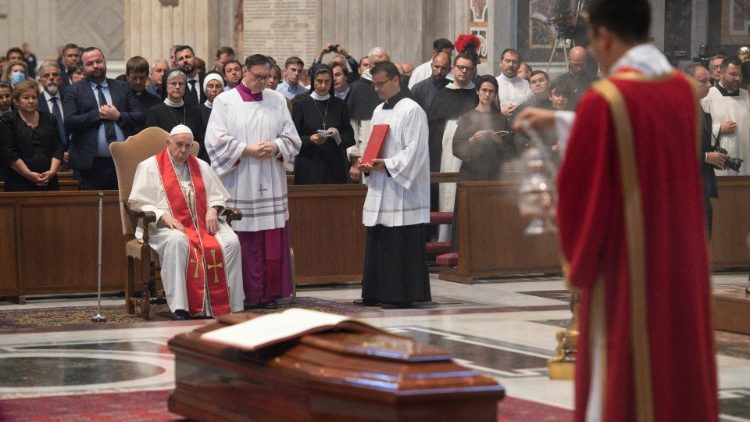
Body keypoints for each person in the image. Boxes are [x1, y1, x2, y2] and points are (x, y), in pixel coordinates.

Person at [513, 1, 718, 420]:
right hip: (680, 261)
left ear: (604, 36)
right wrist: (562, 120)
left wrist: (575, 253)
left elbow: (587, 193)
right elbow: (642, 134)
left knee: (626, 377)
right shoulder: (682, 90)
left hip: (629, 266)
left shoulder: (606, 98)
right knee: (675, 371)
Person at [205, 54, 301, 309]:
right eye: (257, 77)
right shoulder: (225, 101)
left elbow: (292, 138)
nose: (263, 82)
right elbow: (214, 140)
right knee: (244, 238)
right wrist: (246, 149)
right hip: (241, 179)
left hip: (270, 177)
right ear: (244, 71)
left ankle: (269, 294)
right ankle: (243, 294)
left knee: (271, 239)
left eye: (267, 77)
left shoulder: (277, 99)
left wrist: (276, 146)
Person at [128, 125, 244, 319]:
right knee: (178, 242)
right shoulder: (148, 167)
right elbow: (138, 202)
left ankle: (227, 303)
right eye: (179, 145)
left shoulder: (201, 166)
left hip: (201, 223)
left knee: (232, 242)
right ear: (168, 143)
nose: (183, 150)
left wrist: (213, 209)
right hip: (163, 226)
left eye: (187, 146)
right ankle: (180, 306)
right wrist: (163, 215)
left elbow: (217, 196)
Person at [356, 61, 430, 309]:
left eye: (381, 84)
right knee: (379, 237)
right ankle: (375, 292)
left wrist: (386, 164)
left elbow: (415, 151)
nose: (376, 89)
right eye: (374, 85)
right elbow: (373, 143)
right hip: (381, 184)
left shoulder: (412, 110)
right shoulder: (378, 110)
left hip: (401, 190)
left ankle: (399, 294)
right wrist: (366, 163)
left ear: (396, 80)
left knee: (398, 241)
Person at [63, 47, 143, 190]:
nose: (95, 66)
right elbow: (70, 122)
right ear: (82, 68)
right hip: (89, 166)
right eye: (90, 63)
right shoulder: (73, 90)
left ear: (105, 62)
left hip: (122, 162)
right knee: (90, 204)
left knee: (121, 202)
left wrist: (118, 116)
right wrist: (98, 114)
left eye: (98, 61)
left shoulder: (122, 87)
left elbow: (140, 116)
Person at [291, 64, 354, 184]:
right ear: (312, 81)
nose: (323, 86)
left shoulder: (340, 105)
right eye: (319, 81)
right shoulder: (300, 104)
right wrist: (310, 139)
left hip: (335, 168)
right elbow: (292, 138)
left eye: (327, 81)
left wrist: (337, 136)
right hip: (308, 167)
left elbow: (350, 137)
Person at [685, 63, 724, 238]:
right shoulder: (678, 110)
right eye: (703, 81)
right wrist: (707, 157)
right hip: (686, 190)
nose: (709, 85)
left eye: (709, 81)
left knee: (705, 238)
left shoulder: (699, 108)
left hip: (702, 186)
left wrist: (714, 155)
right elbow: (674, 154)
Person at [0, 80, 63, 191]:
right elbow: (9, 152)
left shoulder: (49, 118)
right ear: (16, 100)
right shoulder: (8, 119)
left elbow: (58, 148)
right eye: (26, 98)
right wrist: (28, 174)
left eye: (34, 97)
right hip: (19, 180)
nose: (31, 101)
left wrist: (52, 172)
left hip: (48, 179)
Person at [452, 75, 514, 181]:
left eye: (491, 91)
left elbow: (511, 152)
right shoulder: (467, 117)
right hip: (471, 173)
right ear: (477, 91)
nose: (487, 94)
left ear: (495, 95)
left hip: (495, 174)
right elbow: (456, 149)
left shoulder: (501, 119)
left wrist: (499, 142)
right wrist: (473, 140)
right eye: (484, 90)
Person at [701, 57, 750, 176]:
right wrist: (718, 129)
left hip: (745, 157)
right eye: (733, 74)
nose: (737, 78)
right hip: (719, 162)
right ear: (721, 73)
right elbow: (697, 130)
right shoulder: (707, 96)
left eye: (740, 75)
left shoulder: (747, 96)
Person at [147, 70, 206, 161]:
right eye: (173, 83)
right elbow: (153, 142)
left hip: (191, 160)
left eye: (181, 84)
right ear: (166, 86)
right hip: (164, 162)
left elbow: (201, 141)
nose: (177, 87)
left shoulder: (195, 112)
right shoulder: (154, 112)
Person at [125, 56, 161, 133]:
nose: (138, 82)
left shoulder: (156, 101)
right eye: (134, 78)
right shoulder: (121, 99)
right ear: (127, 76)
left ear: (147, 76)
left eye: (141, 78)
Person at [496, 48, 531, 115]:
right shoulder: (494, 83)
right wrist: (499, 112)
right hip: (499, 120)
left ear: (519, 65)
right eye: (507, 61)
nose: (510, 65)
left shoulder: (526, 84)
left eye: (514, 62)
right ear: (500, 63)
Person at [200, 72, 224, 136]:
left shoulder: (227, 109)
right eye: (210, 86)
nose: (214, 89)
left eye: (218, 86)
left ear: (222, 90)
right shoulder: (198, 111)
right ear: (205, 90)